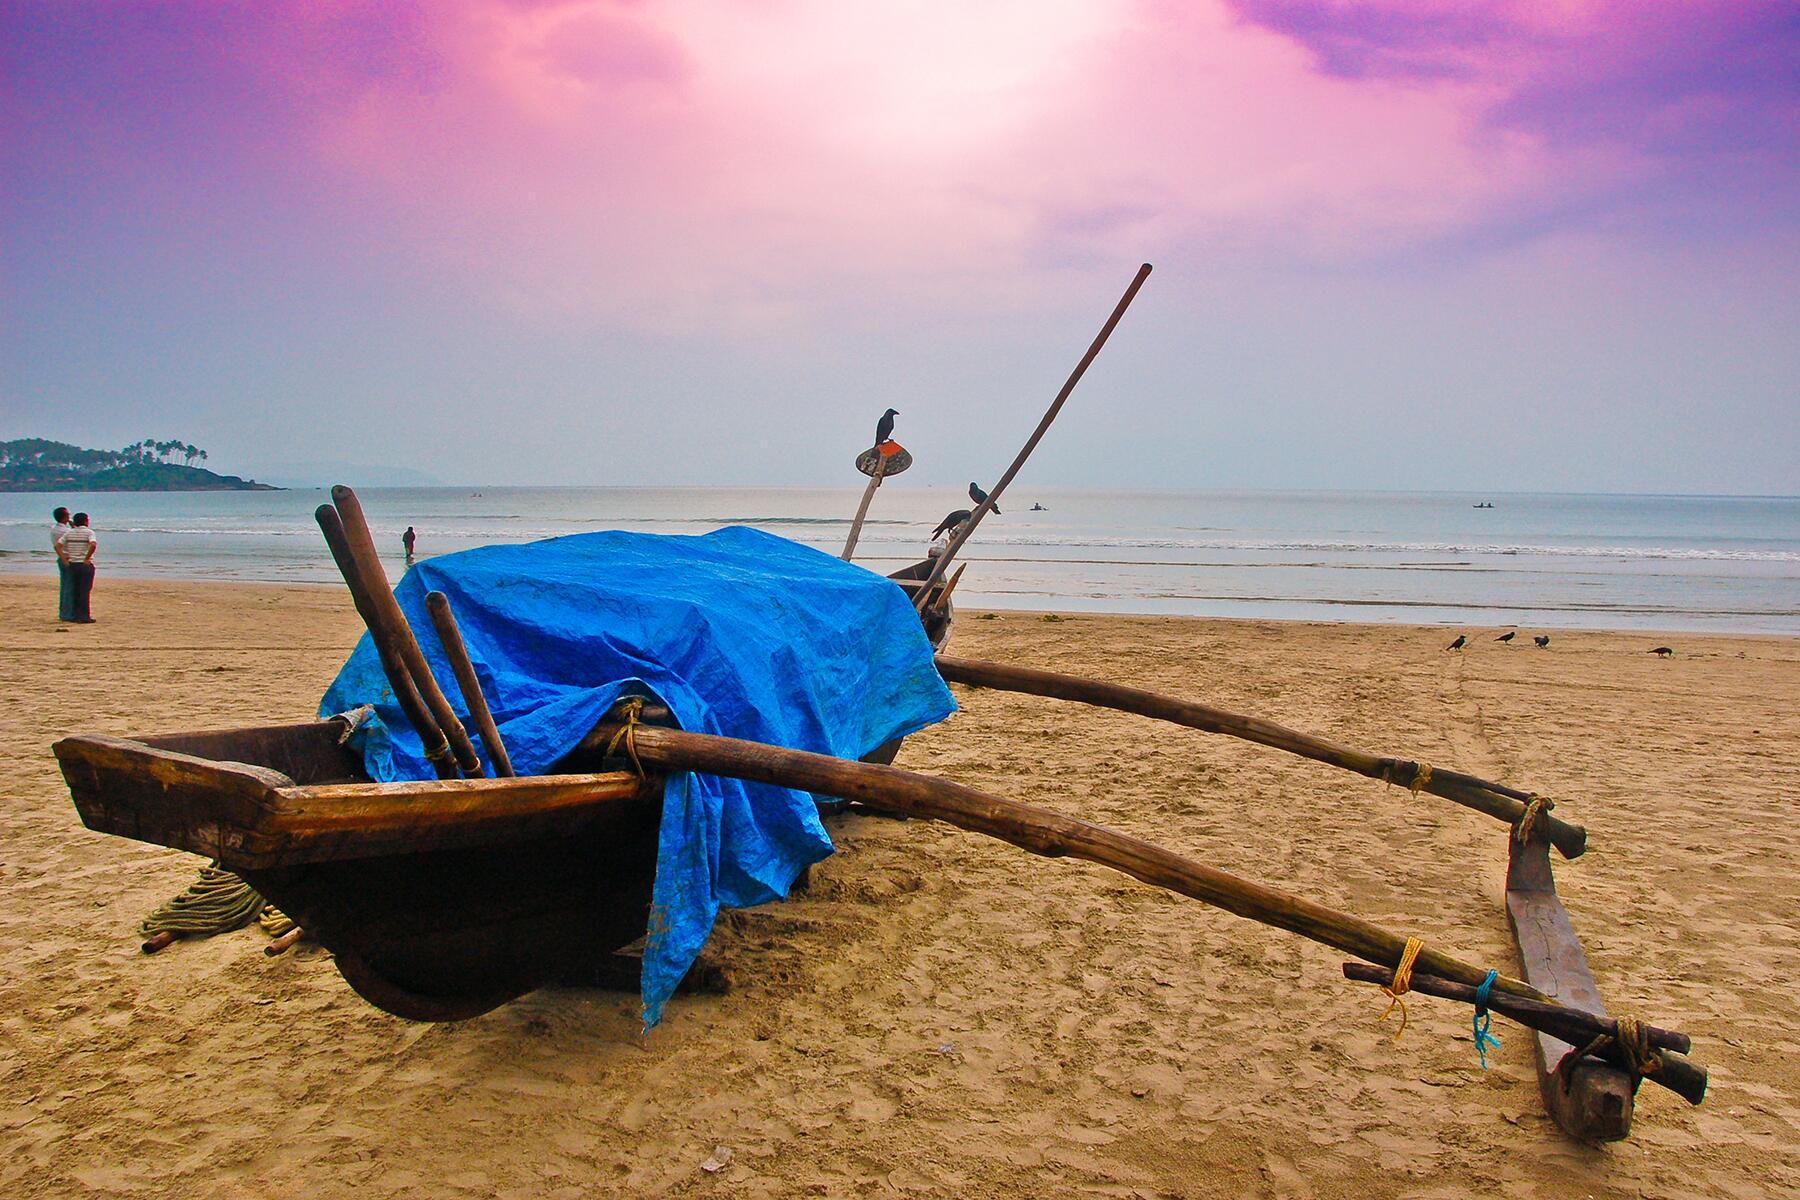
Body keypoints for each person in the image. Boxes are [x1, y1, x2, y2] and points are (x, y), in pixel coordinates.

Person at [60, 512, 97, 623]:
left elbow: (58, 545)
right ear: (86, 521)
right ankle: (84, 616)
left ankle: (75, 614)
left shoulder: (69, 533)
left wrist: (63, 558)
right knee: (85, 590)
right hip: (84, 564)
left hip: (72, 564)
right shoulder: (89, 532)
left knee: (75, 590)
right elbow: (93, 544)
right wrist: (87, 558)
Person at [52, 506, 73, 621]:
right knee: (69, 586)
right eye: (68, 515)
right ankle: (67, 613)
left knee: (65, 585)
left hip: (61, 558)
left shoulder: (54, 529)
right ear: (65, 517)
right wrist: (73, 525)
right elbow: (78, 533)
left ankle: (64, 612)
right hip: (67, 558)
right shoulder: (66, 531)